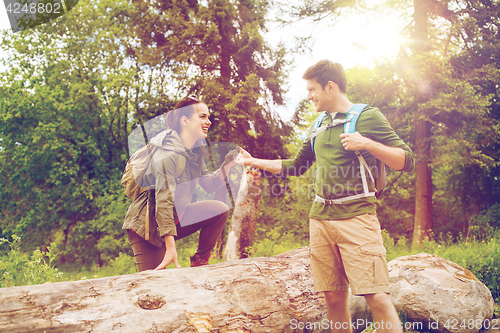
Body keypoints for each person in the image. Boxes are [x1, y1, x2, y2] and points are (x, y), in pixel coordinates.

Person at [235, 60, 414, 333]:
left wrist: (366, 143)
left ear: (330, 86)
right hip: (320, 219)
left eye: (312, 90)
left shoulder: (367, 116)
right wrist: (254, 161)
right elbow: (297, 165)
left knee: (376, 295)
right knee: (332, 296)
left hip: (357, 219)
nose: (309, 96)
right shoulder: (319, 123)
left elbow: (406, 160)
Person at [123, 96, 237, 271]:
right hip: (147, 228)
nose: (208, 122)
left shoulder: (195, 151)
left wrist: (228, 164)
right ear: (185, 120)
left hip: (175, 218)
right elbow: (163, 201)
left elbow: (209, 184)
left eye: (208, 117)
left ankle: (200, 262)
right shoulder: (168, 154)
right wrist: (170, 247)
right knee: (152, 287)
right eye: (202, 117)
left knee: (220, 210)